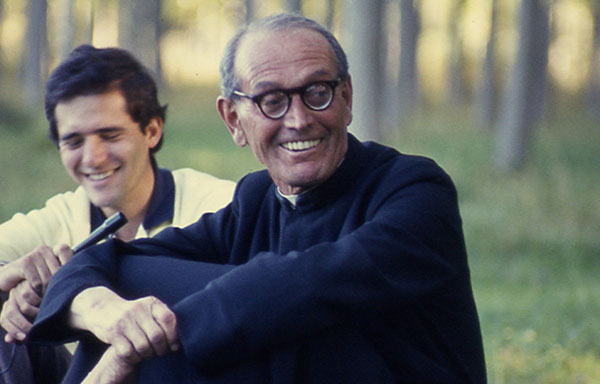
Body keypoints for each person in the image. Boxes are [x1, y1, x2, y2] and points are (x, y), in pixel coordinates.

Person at [28, 14, 487, 383]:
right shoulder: (256, 200)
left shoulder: (413, 189)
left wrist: (139, 343)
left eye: (317, 92)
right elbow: (114, 258)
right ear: (234, 119)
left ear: (347, 97)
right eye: (271, 100)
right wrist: (107, 314)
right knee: (126, 294)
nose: (299, 119)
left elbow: (311, 285)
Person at [0, 45, 235, 382]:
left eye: (109, 135)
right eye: (74, 142)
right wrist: (12, 276)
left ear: (152, 131)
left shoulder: (218, 203)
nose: (93, 158)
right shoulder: (61, 215)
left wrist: (61, 294)